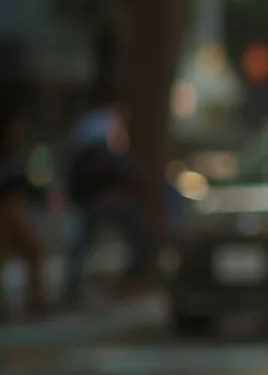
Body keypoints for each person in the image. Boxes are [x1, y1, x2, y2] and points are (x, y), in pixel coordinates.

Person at [62, 100, 154, 309]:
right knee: (135, 231)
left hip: (85, 195)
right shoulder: (104, 125)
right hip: (95, 195)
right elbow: (110, 162)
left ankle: (72, 287)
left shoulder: (88, 125)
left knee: (82, 242)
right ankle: (129, 280)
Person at [0, 109, 49, 322]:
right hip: (4, 210)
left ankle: (36, 299)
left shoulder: (17, 153)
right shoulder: (6, 154)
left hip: (16, 209)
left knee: (34, 251)